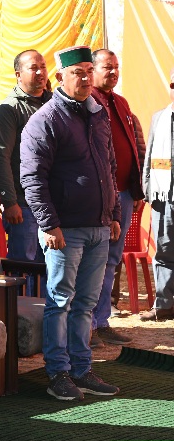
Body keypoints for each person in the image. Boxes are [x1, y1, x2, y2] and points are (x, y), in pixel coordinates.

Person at [21, 46, 121, 401]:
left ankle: (82, 369)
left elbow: (109, 167)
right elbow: (33, 177)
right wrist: (49, 224)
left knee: (86, 304)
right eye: (77, 72)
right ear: (60, 76)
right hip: (64, 230)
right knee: (60, 301)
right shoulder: (46, 119)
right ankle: (58, 373)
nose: (85, 77)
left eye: (88, 70)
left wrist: (113, 215)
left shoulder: (98, 114)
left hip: (98, 227)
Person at [88, 49, 143, 344]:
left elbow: (134, 146)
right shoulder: (88, 100)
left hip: (123, 194)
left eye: (116, 67)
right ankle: (87, 326)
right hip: (98, 195)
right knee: (93, 261)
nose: (113, 72)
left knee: (111, 259)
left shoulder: (120, 102)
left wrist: (136, 188)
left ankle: (102, 320)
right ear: (92, 70)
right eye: (107, 67)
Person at [0, 50, 52, 295]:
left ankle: (45, 314)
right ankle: (20, 314)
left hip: (52, 203)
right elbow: (0, 158)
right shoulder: (8, 109)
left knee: (50, 266)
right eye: (33, 68)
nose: (40, 72)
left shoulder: (54, 103)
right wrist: (9, 201)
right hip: (23, 205)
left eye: (43, 67)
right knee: (24, 266)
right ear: (18, 74)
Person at [140, 69, 174, 322]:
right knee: (163, 252)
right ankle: (164, 305)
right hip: (164, 197)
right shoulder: (159, 118)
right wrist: (148, 188)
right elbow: (149, 155)